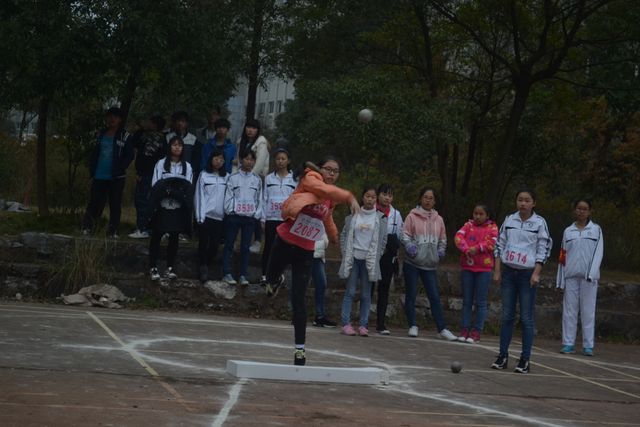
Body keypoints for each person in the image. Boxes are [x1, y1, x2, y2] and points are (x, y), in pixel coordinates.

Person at [263, 157, 359, 366]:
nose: (332, 174)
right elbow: (323, 190)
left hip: (305, 251)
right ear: (320, 169)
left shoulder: (329, 198)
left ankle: (300, 349)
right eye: (328, 169)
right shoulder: (310, 179)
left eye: (336, 171)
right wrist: (349, 197)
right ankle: (274, 280)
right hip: (284, 242)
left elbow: (327, 217)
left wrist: (334, 236)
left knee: (299, 299)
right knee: (268, 282)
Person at [491, 188, 552, 374]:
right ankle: (502, 356)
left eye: (527, 200)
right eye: (520, 200)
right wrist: (497, 270)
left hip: (527, 275)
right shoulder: (509, 220)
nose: (523, 203)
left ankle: (525, 359)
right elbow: (499, 244)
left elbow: (544, 248)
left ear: (534, 203)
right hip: (509, 273)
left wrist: (536, 272)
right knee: (507, 316)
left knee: (526, 318)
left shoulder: (539, 223)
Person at [401, 187, 457, 341]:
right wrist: (409, 246)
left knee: (434, 296)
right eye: (425, 197)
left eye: (431, 198)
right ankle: (412, 325)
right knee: (411, 294)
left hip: (430, 264)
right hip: (412, 263)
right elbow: (404, 234)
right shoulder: (412, 216)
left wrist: (440, 251)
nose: (428, 200)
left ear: (435, 201)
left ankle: (442, 329)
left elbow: (443, 239)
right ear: (420, 199)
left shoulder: (439, 219)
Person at [556, 199, 603, 357]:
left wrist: (591, 273)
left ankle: (588, 345)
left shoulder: (596, 230)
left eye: (584, 209)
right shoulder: (568, 231)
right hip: (571, 276)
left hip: (589, 277)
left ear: (589, 211)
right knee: (569, 311)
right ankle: (568, 343)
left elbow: (598, 252)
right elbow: (563, 255)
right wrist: (561, 278)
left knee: (588, 311)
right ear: (574, 210)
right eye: (578, 208)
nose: (581, 211)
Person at [338, 186, 387, 337]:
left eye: (373, 197)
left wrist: (376, 256)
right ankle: (346, 323)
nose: (370, 199)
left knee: (366, 294)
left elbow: (383, 240)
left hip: (369, 260)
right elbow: (344, 235)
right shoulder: (353, 215)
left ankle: (363, 325)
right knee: (350, 292)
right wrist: (345, 253)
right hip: (353, 258)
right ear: (362, 197)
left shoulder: (380, 218)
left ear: (376, 199)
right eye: (367, 196)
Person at [82, 106, 134, 238]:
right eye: (110, 116)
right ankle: (88, 227)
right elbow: (94, 152)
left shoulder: (125, 136)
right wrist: (92, 169)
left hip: (116, 176)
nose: (112, 119)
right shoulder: (100, 134)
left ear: (120, 119)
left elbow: (130, 155)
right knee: (95, 202)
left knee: (115, 204)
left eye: (115, 117)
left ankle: (112, 230)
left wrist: (121, 167)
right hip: (99, 174)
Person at [148, 136, 193, 281]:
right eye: (174, 145)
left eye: (180, 145)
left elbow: (187, 186)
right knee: (157, 235)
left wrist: (174, 192)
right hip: (162, 205)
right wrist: (168, 191)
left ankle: (170, 267)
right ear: (169, 147)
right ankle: (153, 267)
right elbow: (156, 184)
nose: (177, 147)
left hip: (178, 207)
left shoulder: (187, 166)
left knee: (174, 237)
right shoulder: (161, 163)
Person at [454, 204, 499, 343]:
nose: (478, 216)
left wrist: (478, 248)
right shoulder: (468, 225)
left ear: (487, 216)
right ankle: (464, 330)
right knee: (467, 301)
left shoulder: (492, 227)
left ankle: (476, 332)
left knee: (481, 302)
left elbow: (492, 243)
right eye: (475, 213)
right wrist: (466, 249)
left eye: (481, 214)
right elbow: (458, 237)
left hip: (484, 270)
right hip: (467, 267)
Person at [222, 149, 263, 285]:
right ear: (241, 160)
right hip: (234, 216)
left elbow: (259, 199)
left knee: (245, 247)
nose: (249, 162)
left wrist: (255, 215)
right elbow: (228, 196)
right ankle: (226, 273)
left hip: (249, 218)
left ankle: (243, 275)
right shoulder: (232, 178)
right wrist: (231, 210)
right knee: (229, 244)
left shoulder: (257, 180)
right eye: (246, 159)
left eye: (252, 159)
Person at [261, 147, 297, 282]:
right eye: (278, 159)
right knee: (269, 247)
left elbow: (296, 199)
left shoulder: (294, 179)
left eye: (283, 159)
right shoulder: (269, 178)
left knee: (284, 249)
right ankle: (265, 274)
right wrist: (263, 218)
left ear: (288, 161)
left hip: (286, 219)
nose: (280, 161)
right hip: (271, 218)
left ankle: (278, 274)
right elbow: (264, 198)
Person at [129, 115, 167, 239]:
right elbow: (134, 141)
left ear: (155, 124)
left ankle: (144, 228)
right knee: (143, 201)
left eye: (150, 122)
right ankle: (147, 227)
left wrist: (141, 172)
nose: (147, 124)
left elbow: (148, 159)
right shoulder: (145, 136)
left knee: (143, 201)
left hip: (149, 174)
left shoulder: (157, 139)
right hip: (146, 174)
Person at [194, 148, 228, 283]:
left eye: (221, 159)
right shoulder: (203, 175)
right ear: (211, 159)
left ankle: (206, 263)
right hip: (205, 216)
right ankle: (202, 267)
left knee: (214, 246)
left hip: (219, 218)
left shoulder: (227, 177)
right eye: (216, 158)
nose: (218, 161)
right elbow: (199, 196)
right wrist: (199, 216)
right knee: (203, 244)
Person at [374, 183, 404, 335]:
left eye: (390, 195)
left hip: (387, 256)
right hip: (372, 254)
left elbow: (400, 235)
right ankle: (363, 321)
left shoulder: (396, 214)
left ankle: (381, 323)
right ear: (378, 195)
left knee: (384, 288)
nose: (387, 198)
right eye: (384, 194)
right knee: (369, 287)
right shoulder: (371, 210)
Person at [236, 119, 270, 254]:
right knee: (244, 207)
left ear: (258, 130)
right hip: (241, 178)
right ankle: (239, 240)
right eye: (248, 127)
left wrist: (251, 178)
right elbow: (238, 160)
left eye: (254, 128)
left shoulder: (261, 142)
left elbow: (260, 163)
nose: (250, 130)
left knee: (256, 208)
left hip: (257, 178)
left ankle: (257, 240)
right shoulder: (241, 141)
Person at [311, 233, 337, 328]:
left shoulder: (322, 224)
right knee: (301, 285)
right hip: (307, 254)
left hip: (318, 256)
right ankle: (297, 315)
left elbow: (325, 240)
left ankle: (320, 316)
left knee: (321, 285)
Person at [166, 111, 199, 175]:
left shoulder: (193, 139)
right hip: (170, 171)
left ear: (187, 123)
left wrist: (192, 171)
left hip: (187, 172)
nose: (180, 123)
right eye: (178, 121)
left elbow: (195, 159)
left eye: (183, 121)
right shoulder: (168, 138)